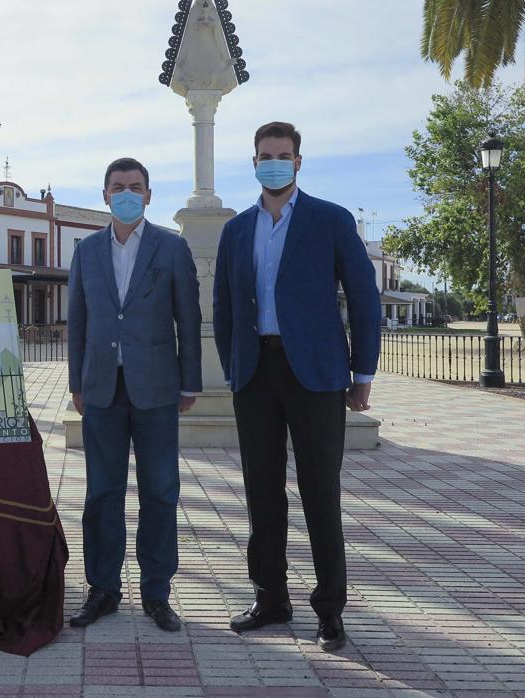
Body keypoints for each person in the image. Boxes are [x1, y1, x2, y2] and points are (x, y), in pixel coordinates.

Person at [212, 122, 381, 652]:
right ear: (254, 161)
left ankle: (330, 610)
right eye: (266, 155)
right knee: (262, 493)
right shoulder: (237, 230)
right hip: (256, 374)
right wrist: (234, 368)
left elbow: (364, 297)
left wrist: (362, 373)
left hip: (317, 377)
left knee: (319, 494)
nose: (274, 163)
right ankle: (270, 599)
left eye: (283, 156)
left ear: (299, 162)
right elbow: (223, 309)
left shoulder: (331, 220)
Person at [66, 157, 202, 632]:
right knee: (102, 493)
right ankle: (102, 588)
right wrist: (76, 384)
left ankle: (157, 593)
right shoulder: (86, 252)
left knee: (160, 492)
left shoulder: (171, 246)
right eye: (118, 187)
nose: (126, 193)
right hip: (102, 388)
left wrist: (190, 382)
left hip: (158, 389)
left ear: (148, 194)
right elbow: (78, 321)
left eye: (135, 186)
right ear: (105, 195)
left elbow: (188, 317)